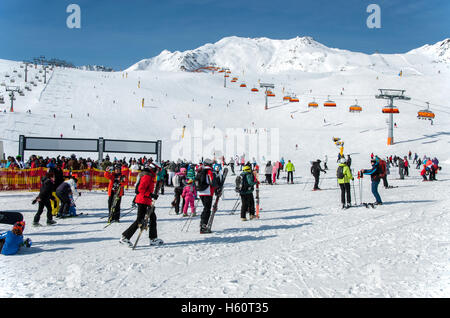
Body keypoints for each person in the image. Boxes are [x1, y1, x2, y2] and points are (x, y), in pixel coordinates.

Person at [120, 164, 162, 247]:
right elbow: (140, 189)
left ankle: (153, 238)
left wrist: (151, 195)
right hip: (142, 200)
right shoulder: (147, 176)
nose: (158, 172)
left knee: (152, 217)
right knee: (140, 220)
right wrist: (150, 195)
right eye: (157, 170)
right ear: (153, 169)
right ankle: (125, 237)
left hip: (146, 200)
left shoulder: (150, 176)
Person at [195, 159, 216, 234]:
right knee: (207, 209)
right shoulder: (209, 171)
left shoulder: (200, 170)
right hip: (208, 192)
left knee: (205, 208)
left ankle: (202, 223)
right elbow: (212, 182)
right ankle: (203, 226)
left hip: (200, 192)